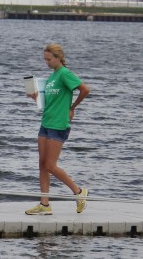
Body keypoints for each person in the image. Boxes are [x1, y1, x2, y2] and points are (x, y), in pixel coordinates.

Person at [25, 43, 90, 215]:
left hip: (58, 125)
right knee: (42, 165)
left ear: (58, 57)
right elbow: (51, 101)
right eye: (44, 59)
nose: (46, 62)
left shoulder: (64, 74)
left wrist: (72, 107)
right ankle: (44, 204)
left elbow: (85, 90)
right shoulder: (53, 76)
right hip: (45, 123)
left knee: (50, 165)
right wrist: (35, 97)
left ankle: (78, 192)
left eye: (49, 59)